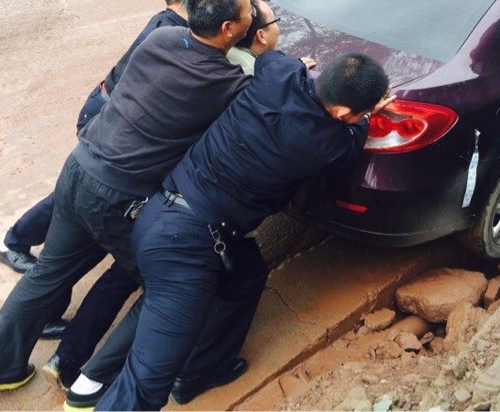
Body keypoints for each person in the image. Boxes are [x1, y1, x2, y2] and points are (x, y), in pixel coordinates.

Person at [0, 0, 254, 397]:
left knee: (47, 273)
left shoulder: (160, 41)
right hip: (119, 195)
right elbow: (262, 96)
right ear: (229, 28)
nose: (253, 15)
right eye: (248, 12)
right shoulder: (224, 82)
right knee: (170, 285)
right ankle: (93, 384)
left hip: (79, 168)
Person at [93, 51, 393, 410]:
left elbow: (273, 59)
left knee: (246, 276)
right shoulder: (325, 143)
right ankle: (158, 379)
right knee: (145, 381)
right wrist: (367, 118)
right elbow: (351, 138)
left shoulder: (280, 71)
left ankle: (202, 370)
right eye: (355, 113)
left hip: (163, 213)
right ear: (343, 114)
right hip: (186, 248)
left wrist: (305, 69)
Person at [227, 0, 316, 75]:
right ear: (261, 35)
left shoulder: (221, 54)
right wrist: (291, 72)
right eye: (275, 20)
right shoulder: (254, 76)